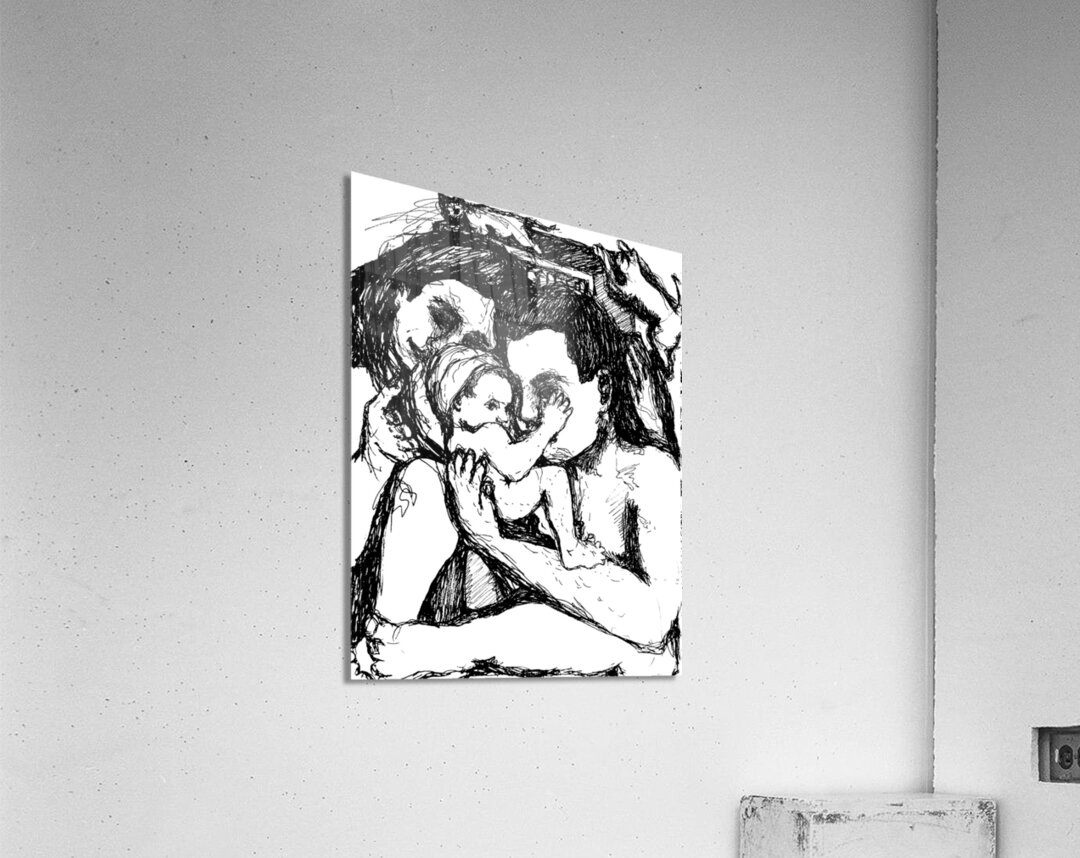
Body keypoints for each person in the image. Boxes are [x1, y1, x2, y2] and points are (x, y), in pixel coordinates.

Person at [354, 284, 681, 678]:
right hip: (495, 639)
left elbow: (652, 622)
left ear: (605, 391)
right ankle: (385, 638)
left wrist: (493, 541)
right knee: (422, 476)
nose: (524, 414)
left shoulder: (647, 472)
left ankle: (431, 648)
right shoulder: (525, 463)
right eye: (517, 391)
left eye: (547, 390)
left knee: (592, 636)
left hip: (600, 656)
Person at [423, 343, 604, 570]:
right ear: (458, 402)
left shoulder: (453, 439)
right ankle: (570, 548)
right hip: (505, 499)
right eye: (492, 405)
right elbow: (515, 467)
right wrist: (548, 427)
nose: (501, 416)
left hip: (488, 502)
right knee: (554, 476)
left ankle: (553, 529)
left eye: (505, 408)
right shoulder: (488, 431)